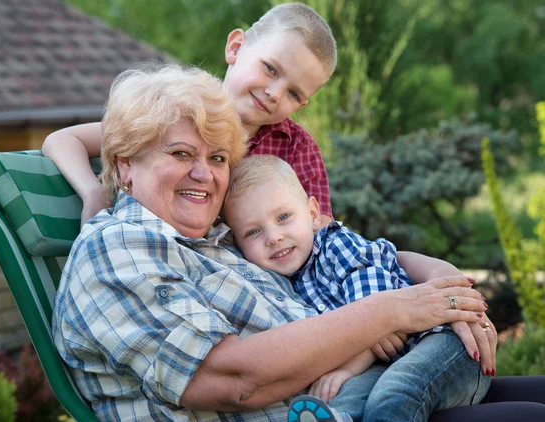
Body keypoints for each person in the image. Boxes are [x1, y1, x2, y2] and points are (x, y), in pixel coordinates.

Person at [52, 62, 495, 422]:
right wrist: (392, 311)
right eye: (182, 154)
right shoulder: (119, 249)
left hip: (364, 388)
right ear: (126, 164)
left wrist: (445, 288)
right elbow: (237, 380)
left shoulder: (219, 242)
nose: (205, 175)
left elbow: (349, 253)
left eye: (218, 158)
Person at [222, 155, 491, 421]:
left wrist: (345, 370)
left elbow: (380, 315)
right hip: (381, 363)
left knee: (395, 393)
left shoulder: (335, 244)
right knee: (344, 404)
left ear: (313, 214)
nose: (274, 237)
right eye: (253, 232)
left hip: (441, 342)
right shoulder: (278, 283)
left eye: (283, 217)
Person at [43, 2, 336, 226]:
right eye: (270, 69)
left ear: (301, 105)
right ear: (235, 47)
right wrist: (92, 192)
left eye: (294, 94)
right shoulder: (176, 113)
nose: (275, 93)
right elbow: (62, 141)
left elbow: (318, 227)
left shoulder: (296, 147)